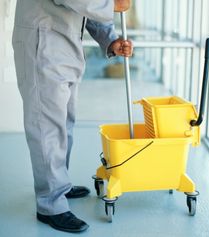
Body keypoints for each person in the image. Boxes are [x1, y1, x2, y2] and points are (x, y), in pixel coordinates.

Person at [12, 0, 133, 233]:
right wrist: (111, 5)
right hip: (43, 42)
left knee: (64, 124)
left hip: (63, 45)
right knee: (46, 126)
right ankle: (51, 204)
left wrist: (111, 40)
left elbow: (84, 8)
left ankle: (59, 186)